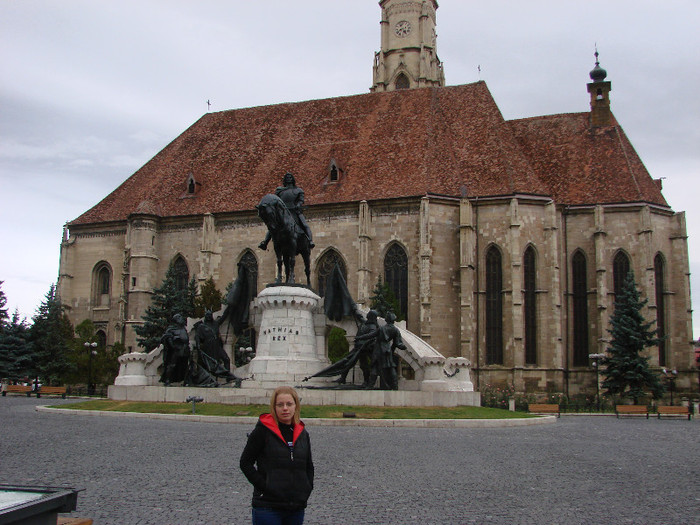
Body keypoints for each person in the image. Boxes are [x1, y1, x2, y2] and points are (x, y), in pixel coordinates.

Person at [240, 386, 314, 525]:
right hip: (268, 506)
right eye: (280, 405)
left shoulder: (303, 434)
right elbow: (245, 463)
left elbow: (308, 465)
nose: (285, 408)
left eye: (289, 404)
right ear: (274, 407)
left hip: (295, 506)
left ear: (296, 406)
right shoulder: (262, 432)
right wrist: (265, 486)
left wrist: (307, 487)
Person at [259, 172, 314, 250]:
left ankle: (310, 240)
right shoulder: (279, 191)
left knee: (305, 225)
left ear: (293, 179)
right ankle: (265, 242)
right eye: (287, 177)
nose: (288, 179)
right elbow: (275, 200)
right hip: (283, 212)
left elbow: (301, 200)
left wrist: (298, 205)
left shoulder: (298, 190)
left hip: (295, 211)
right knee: (273, 227)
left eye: (290, 177)